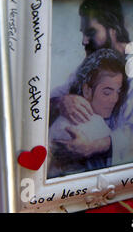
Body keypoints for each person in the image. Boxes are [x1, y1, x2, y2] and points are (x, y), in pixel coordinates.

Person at [49, 0, 133, 167]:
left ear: (113, 29)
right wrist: (62, 101)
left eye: (91, 32)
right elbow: (51, 98)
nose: (84, 41)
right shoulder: (93, 63)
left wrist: (90, 148)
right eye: (83, 33)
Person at [48, 48, 128, 178]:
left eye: (118, 92)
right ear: (87, 91)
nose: (115, 99)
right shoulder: (96, 124)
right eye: (107, 93)